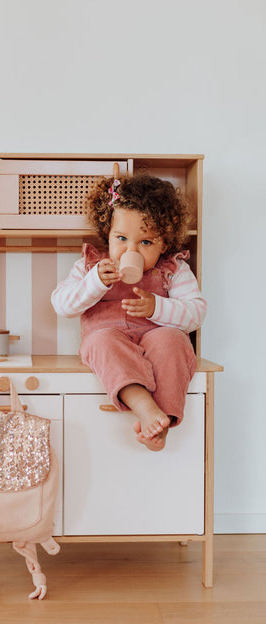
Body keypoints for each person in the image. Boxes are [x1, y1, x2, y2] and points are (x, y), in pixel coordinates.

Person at [51, 173, 207, 451]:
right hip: (109, 339)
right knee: (100, 341)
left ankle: (164, 421)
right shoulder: (91, 267)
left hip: (154, 338)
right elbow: (61, 305)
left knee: (175, 341)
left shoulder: (173, 269)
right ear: (107, 234)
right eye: (121, 238)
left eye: (145, 242)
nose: (129, 250)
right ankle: (146, 408)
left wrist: (157, 307)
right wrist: (95, 283)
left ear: (164, 243)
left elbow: (196, 313)